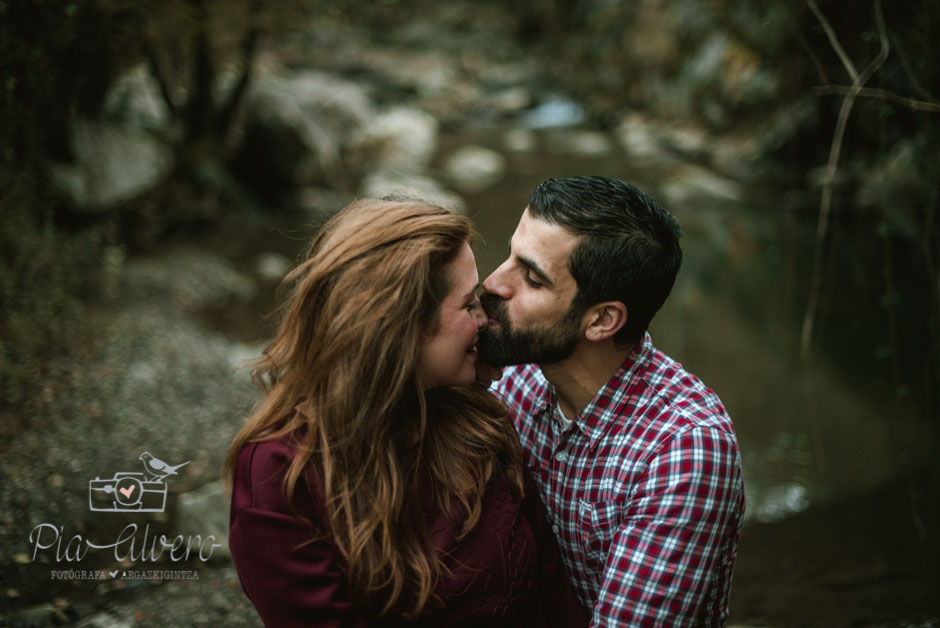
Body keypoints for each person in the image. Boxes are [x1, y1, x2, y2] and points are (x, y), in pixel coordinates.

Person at [226, 198, 588, 627]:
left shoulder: (477, 419)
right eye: (468, 303)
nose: (486, 320)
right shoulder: (281, 476)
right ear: (398, 329)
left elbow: (551, 585)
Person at [478, 176, 745, 627]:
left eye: (531, 277)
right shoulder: (520, 377)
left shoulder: (682, 451)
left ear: (602, 320)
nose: (494, 282)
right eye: (509, 256)